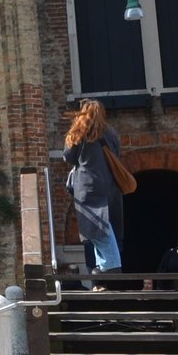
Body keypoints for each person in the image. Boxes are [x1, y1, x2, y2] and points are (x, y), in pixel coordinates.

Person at [63, 99, 125, 278]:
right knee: (103, 226)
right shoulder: (111, 132)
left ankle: (112, 264)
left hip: (88, 186)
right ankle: (104, 264)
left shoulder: (80, 131)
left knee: (96, 226)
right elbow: (117, 153)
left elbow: (68, 156)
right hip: (110, 185)